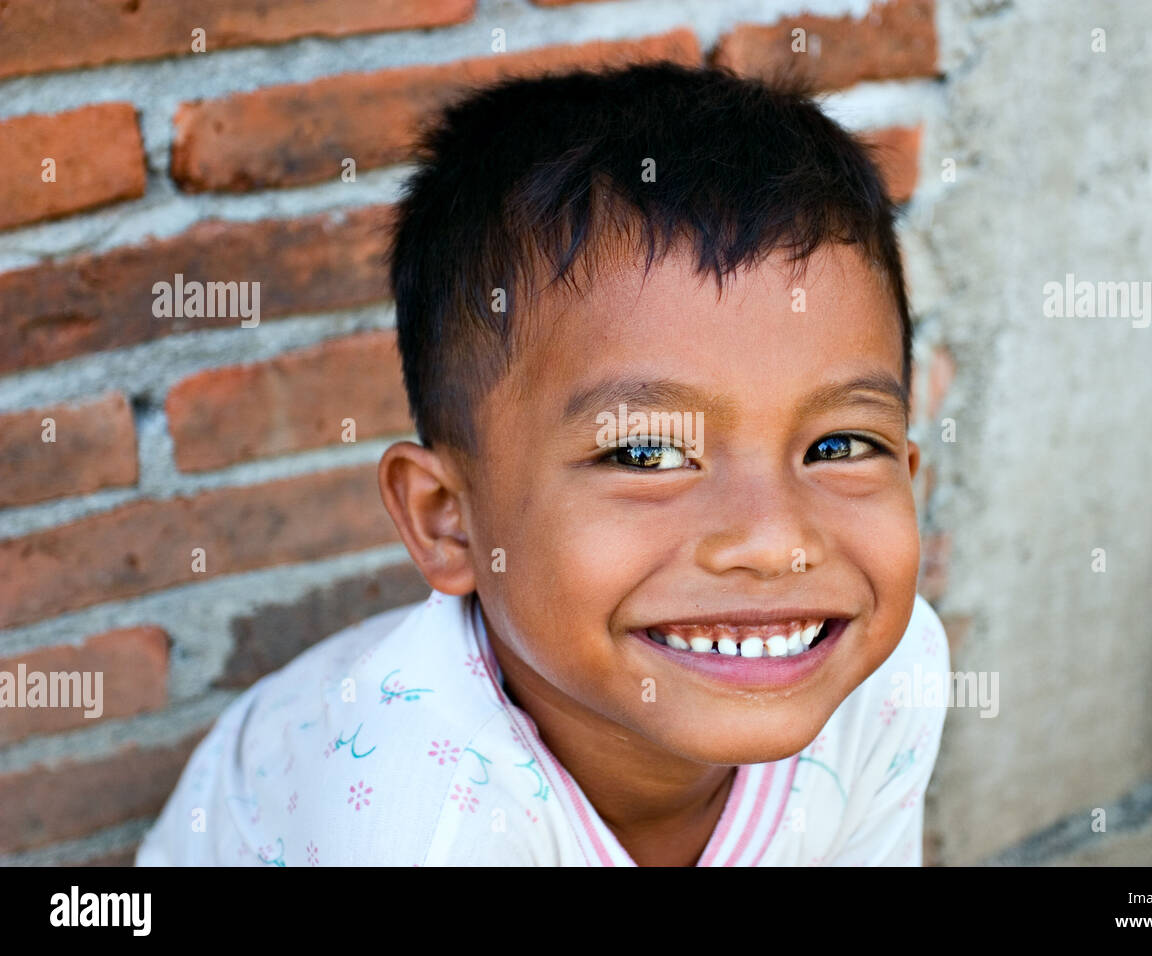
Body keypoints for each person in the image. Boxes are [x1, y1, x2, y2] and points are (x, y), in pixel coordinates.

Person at [137, 61, 949, 867]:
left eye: (838, 446)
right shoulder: (415, 821)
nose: (776, 542)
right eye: (646, 453)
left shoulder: (890, 676)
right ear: (446, 521)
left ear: (908, 473)